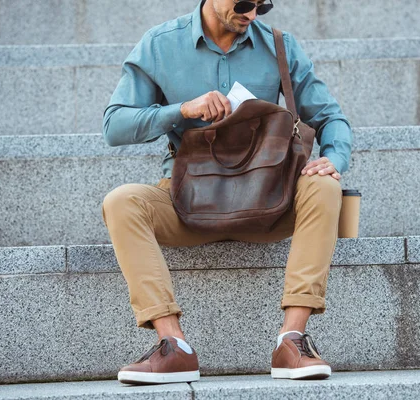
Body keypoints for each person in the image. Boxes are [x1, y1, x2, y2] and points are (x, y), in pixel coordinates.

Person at [101, 0, 352, 385]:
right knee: (121, 202)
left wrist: (334, 156)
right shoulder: (159, 45)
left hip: (270, 200)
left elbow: (330, 116)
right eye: (243, 3)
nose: (251, 14)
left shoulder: (279, 45)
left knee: (323, 185)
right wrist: (182, 109)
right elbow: (114, 126)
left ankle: (292, 340)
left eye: (262, 6)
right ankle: (174, 347)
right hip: (188, 202)